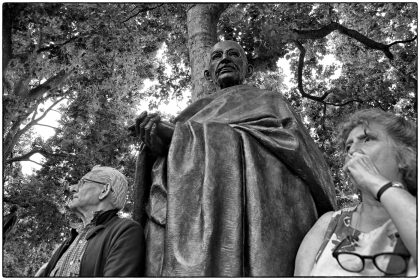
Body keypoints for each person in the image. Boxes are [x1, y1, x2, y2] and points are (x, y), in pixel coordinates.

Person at [132, 40, 336, 276]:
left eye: (233, 54)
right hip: (197, 222)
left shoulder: (270, 101)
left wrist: (181, 136)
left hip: (262, 213)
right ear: (208, 74)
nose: (225, 59)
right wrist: (160, 145)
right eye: (217, 56)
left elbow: (297, 147)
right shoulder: (193, 114)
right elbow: (172, 165)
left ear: (248, 69)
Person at [294, 109, 417, 276]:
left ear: (405, 154)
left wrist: (376, 182)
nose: (352, 152)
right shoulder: (327, 225)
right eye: (348, 146)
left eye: (367, 139)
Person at [35, 166, 145, 277]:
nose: (72, 188)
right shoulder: (69, 241)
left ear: (104, 190)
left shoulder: (125, 231)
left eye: (83, 182)